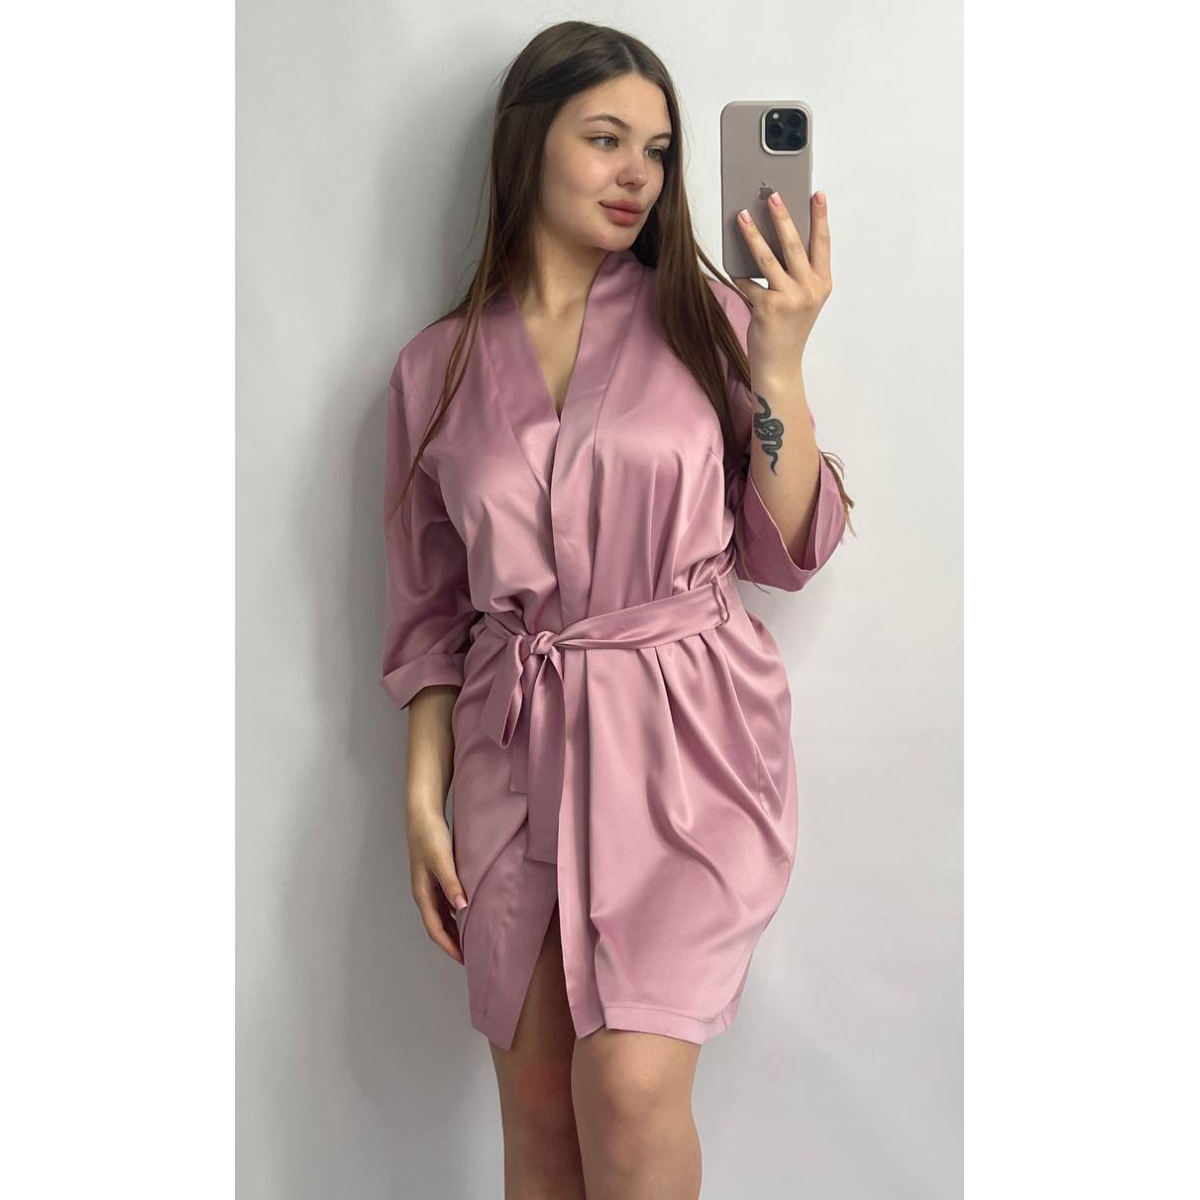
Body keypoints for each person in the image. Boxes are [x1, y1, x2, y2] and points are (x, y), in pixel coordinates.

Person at [380, 20, 854, 1199]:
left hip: (685, 742)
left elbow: (789, 546)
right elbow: (429, 612)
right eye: (605, 139)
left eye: (658, 148)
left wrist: (780, 365)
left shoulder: (704, 319)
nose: (639, 172)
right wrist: (423, 793)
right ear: (528, 142)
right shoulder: (435, 368)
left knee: (631, 1093)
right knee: (541, 1116)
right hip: (512, 753)